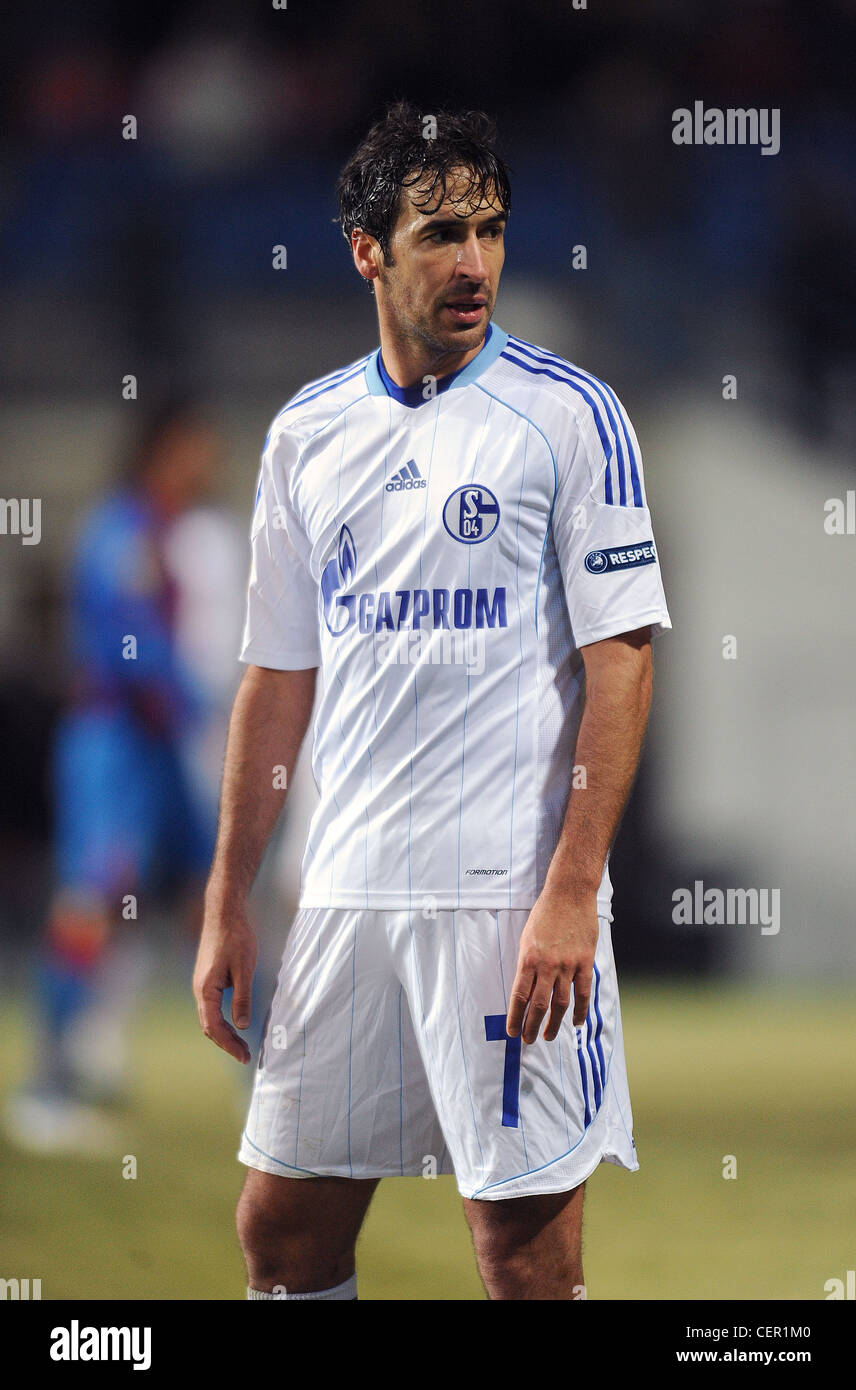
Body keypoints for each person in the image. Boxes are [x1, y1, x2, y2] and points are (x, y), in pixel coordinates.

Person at [193, 101, 672, 1301]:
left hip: (505, 907)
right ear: (368, 248)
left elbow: (624, 657)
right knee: (283, 1234)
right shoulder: (306, 434)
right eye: (441, 233)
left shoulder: (571, 418)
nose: (474, 264)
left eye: (493, 230)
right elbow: (277, 675)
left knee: (523, 1258)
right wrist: (227, 897)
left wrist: (570, 891)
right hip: (345, 893)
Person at [5, 398, 238, 1154]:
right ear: (164, 449)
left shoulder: (162, 533)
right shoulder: (121, 533)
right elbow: (128, 646)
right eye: (194, 448)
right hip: (114, 742)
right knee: (93, 899)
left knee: (211, 895)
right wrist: (199, 701)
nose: (205, 464)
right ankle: (47, 1084)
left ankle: (266, 1078)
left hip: (157, 743)